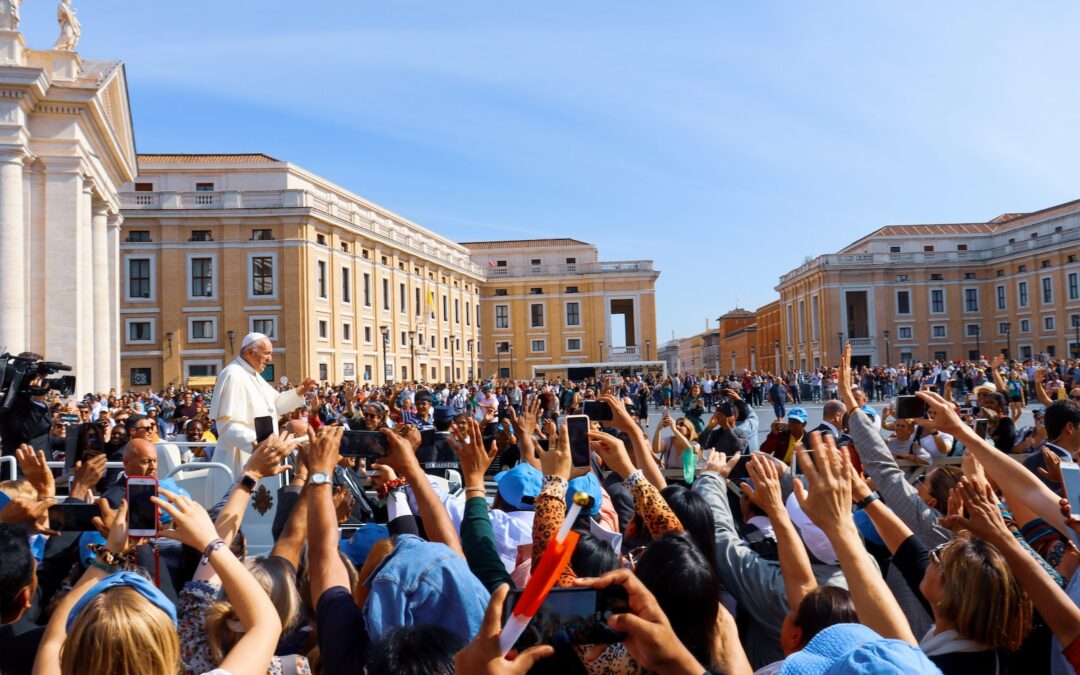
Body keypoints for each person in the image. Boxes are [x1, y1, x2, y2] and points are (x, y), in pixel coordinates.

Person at [209, 332, 317, 480]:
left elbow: (276, 404)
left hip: (261, 455)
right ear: (250, 352)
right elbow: (226, 426)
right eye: (267, 353)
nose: (270, 359)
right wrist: (262, 445)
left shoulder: (254, 375)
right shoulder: (233, 375)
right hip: (239, 458)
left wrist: (299, 391)